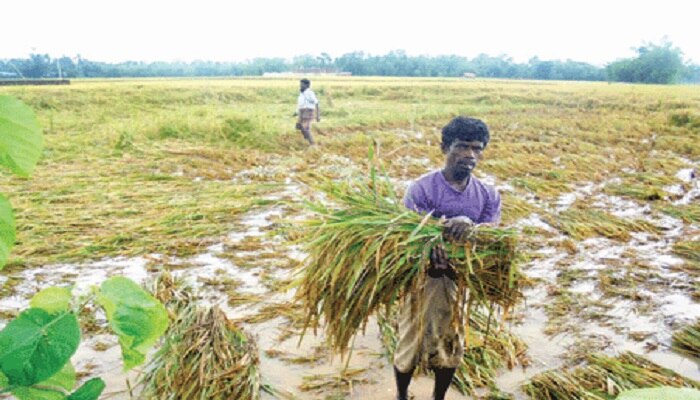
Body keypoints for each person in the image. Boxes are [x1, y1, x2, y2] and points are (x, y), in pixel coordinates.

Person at [393, 116, 501, 400]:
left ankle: (438, 398)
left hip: (456, 282)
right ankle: (402, 395)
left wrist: (471, 226)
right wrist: (436, 239)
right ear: (445, 147)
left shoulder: (487, 195)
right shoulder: (422, 188)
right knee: (409, 342)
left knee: (451, 345)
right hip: (420, 280)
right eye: (462, 146)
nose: (469, 155)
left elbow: (493, 239)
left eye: (477, 148)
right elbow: (406, 235)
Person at [295, 78, 320, 145]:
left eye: (302, 84)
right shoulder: (301, 93)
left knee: (305, 127)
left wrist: (318, 116)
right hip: (301, 112)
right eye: (300, 84)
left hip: (308, 111)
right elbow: (300, 104)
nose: (300, 85)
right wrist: (296, 112)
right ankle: (307, 140)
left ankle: (312, 144)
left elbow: (316, 103)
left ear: (307, 85)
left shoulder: (310, 93)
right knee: (299, 126)